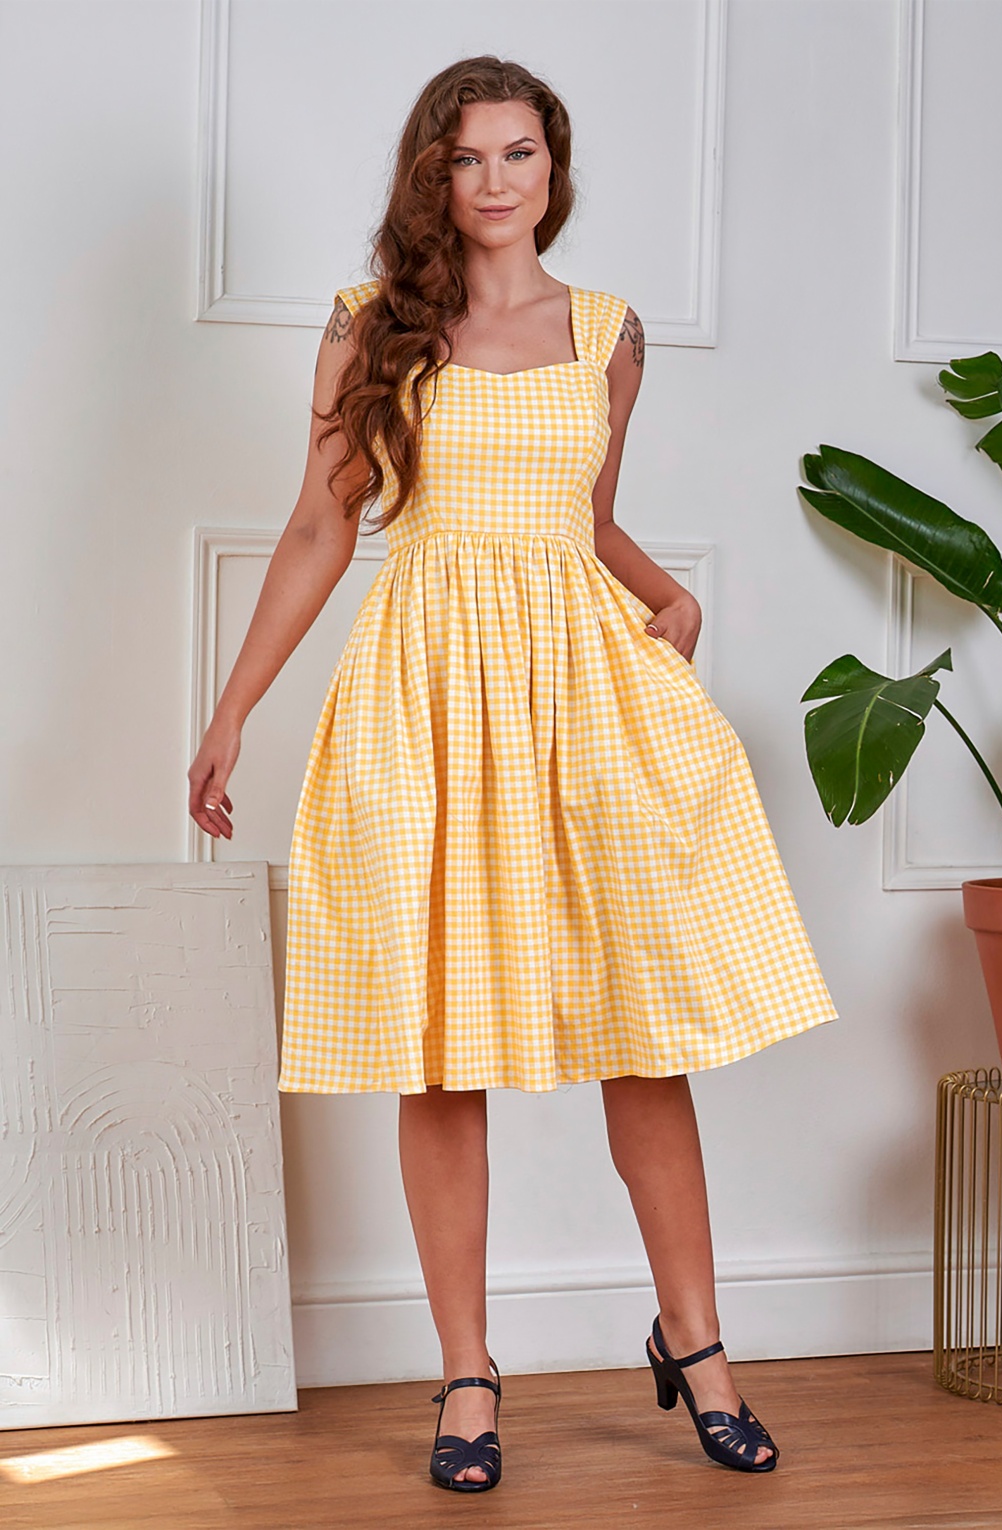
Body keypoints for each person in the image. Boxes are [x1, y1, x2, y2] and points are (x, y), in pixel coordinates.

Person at [188, 55, 838, 1493]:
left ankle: (696, 1343)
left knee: (640, 1028)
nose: (496, 181)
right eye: (468, 157)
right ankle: (470, 1373)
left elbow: (584, 514)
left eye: (520, 153)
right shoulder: (371, 326)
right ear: (434, 174)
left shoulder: (607, 331)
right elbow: (321, 525)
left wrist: (667, 592)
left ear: (555, 168)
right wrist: (232, 707)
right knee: (439, 1045)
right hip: (425, 695)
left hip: (581, 696)